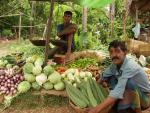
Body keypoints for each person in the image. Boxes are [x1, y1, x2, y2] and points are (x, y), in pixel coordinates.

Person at [86, 40, 150, 113]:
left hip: (144, 98)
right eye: (111, 52)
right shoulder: (114, 65)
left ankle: (137, 110)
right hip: (129, 94)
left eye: (117, 51)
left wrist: (96, 109)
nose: (114, 55)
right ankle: (117, 103)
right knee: (110, 77)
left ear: (125, 53)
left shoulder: (130, 65)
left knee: (128, 82)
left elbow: (118, 90)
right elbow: (104, 76)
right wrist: (93, 88)